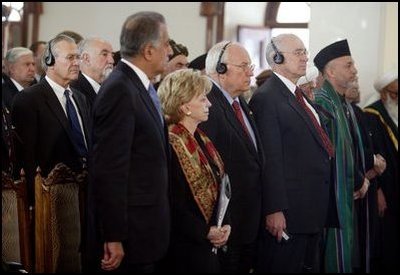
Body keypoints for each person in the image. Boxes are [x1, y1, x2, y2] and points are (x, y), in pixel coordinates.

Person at [89, 11, 172, 273]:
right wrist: (113, 235)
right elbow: (109, 170)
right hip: (130, 234)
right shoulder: (120, 89)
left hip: (147, 226)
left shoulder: (138, 86)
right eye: (166, 43)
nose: (169, 50)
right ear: (149, 51)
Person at [249, 34, 336, 273]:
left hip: (309, 210)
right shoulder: (267, 98)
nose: (305, 57)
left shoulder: (297, 96)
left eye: (304, 52)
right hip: (289, 215)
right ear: (276, 58)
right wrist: (274, 209)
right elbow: (270, 159)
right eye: (298, 52)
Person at [198, 41, 263, 273]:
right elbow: (206, 171)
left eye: (250, 65)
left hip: (247, 222)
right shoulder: (208, 105)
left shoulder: (240, 102)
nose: (251, 71)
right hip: (226, 225)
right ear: (220, 69)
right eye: (243, 66)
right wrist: (218, 221)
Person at [158, 69, 231, 272]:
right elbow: (173, 202)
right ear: (184, 106)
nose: (209, 103)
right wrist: (205, 231)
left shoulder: (202, 138)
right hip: (184, 248)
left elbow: (221, 183)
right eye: (202, 99)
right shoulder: (170, 143)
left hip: (209, 244)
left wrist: (226, 224)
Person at [12, 34, 89, 206]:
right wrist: (35, 202)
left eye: (77, 57)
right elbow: (26, 158)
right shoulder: (28, 99)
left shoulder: (80, 98)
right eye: (70, 57)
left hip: (84, 192)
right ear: (49, 60)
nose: (76, 62)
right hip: (50, 197)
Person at [313, 39, 370, 273]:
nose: (355, 69)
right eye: (348, 65)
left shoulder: (342, 102)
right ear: (330, 71)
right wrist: (359, 179)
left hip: (349, 192)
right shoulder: (323, 102)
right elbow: (332, 155)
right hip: (333, 197)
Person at [364, 71, 398, 272]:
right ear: (384, 93)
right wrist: (377, 191)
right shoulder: (372, 115)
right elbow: (371, 155)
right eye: (394, 93)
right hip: (385, 188)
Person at [70, 37, 114, 109]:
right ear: (86, 58)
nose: (111, 61)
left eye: (112, 55)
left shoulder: (112, 89)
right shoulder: (74, 90)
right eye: (104, 54)